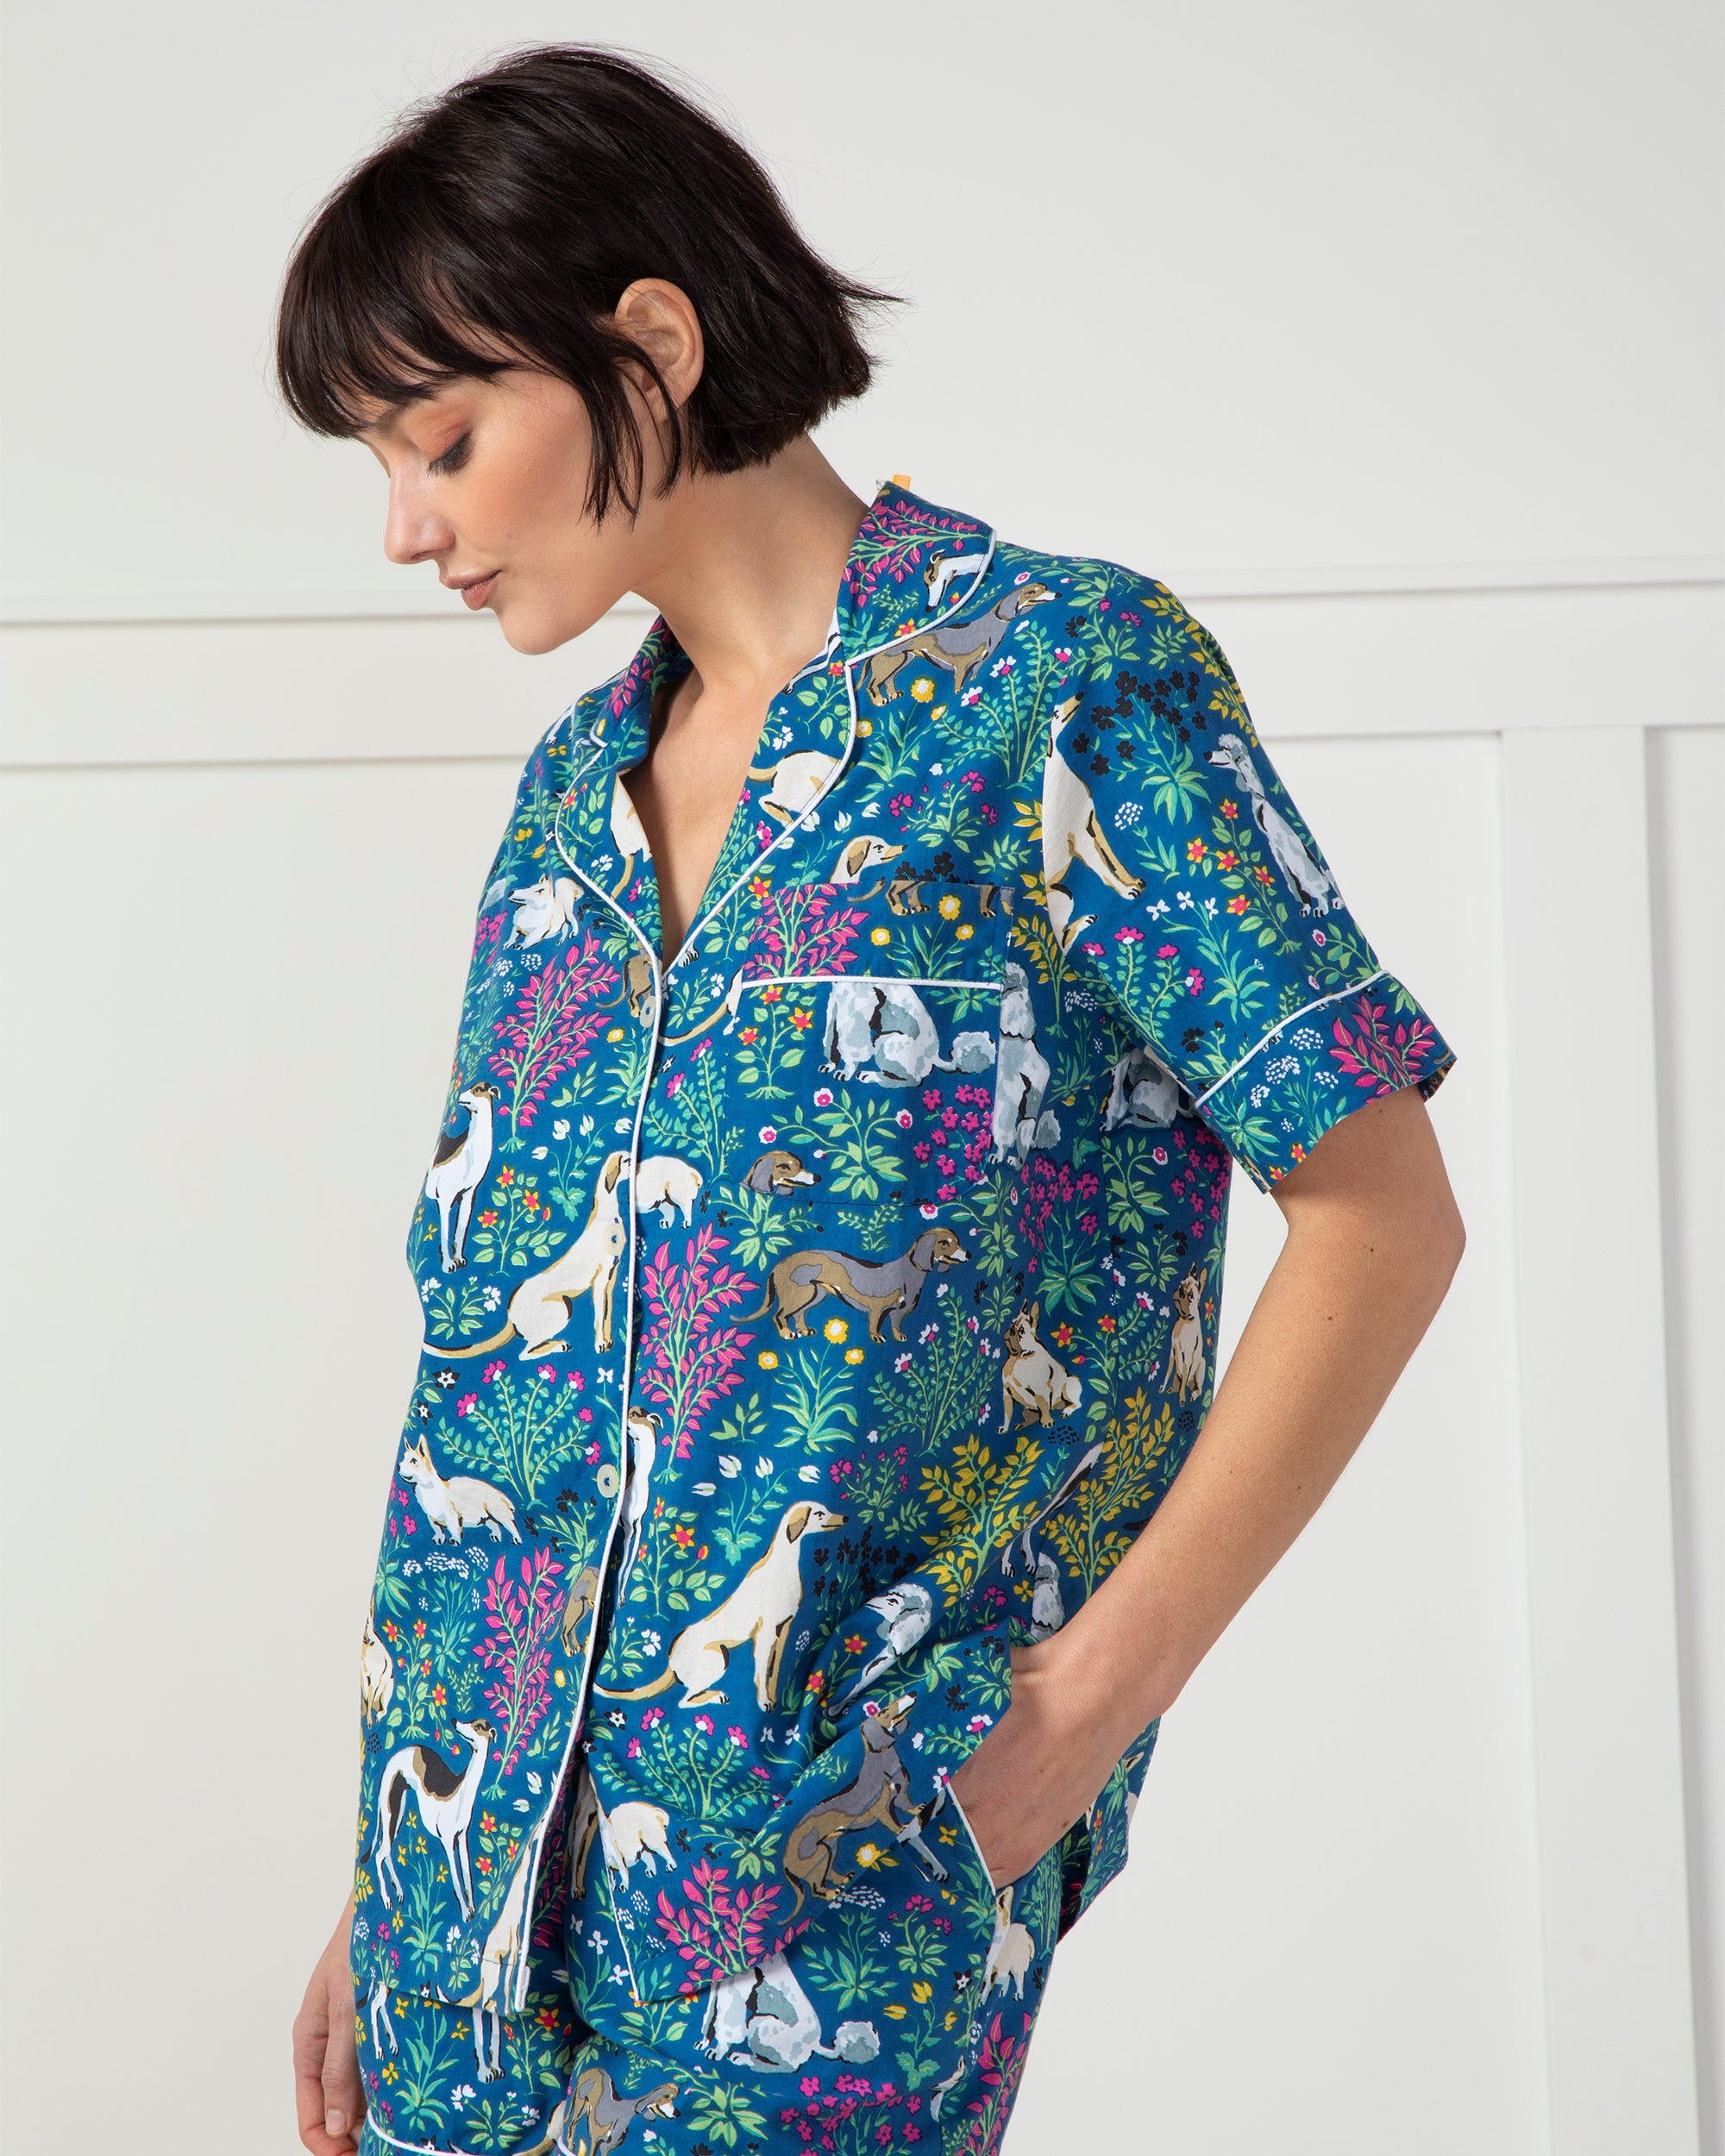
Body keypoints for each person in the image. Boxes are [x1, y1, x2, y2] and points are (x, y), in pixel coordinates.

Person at [280, 44, 1464, 2156]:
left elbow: (1383, 1212)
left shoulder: (1057, 684)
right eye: (380, 462)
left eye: (442, 440)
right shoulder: (565, 805)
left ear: (652, 341)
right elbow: (506, 1376)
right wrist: (399, 1872)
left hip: (829, 1895)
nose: (406, 528)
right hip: (461, 1917)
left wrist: (1094, 1700)